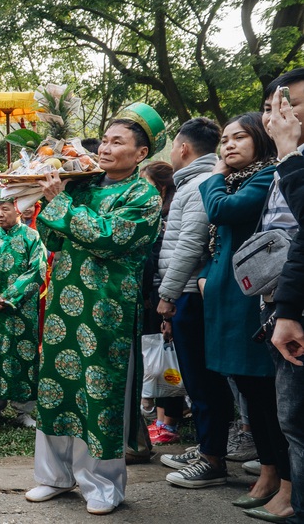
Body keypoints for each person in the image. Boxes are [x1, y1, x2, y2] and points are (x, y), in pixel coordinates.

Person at [25, 103, 164, 515]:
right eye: (104, 139)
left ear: (141, 154)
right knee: (56, 389)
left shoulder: (144, 197)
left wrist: (61, 206)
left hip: (107, 315)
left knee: (98, 394)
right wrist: (52, 201)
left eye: (117, 142)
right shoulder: (81, 185)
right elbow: (51, 240)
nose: (105, 148)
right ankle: (54, 476)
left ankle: (103, 485)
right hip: (64, 307)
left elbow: (108, 237)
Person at [166, 113, 278, 492]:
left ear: (261, 140)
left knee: (260, 389)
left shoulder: (265, 176)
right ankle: (268, 470)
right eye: (225, 139)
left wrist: (213, 177)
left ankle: (272, 474)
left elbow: (222, 211)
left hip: (249, 300)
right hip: (225, 297)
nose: (228, 145)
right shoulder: (237, 180)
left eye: (239, 138)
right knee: (246, 386)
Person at [153, 118, 237, 476]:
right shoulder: (194, 182)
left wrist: (168, 294)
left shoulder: (199, 183)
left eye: (173, 145)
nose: (172, 152)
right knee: (198, 379)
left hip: (190, 293)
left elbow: (190, 245)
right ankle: (206, 447)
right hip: (186, 292)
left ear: (184, 148)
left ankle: (213, 460)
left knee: (203, 381)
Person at [264, 69, 304, 524]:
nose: (283, 115)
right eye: (278, 105)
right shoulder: (289, 162)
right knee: (292, 420)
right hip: (286, 303)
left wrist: (289, 154)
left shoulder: (291, 160)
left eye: (292, 104)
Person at [0, 189, 47, 428]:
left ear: (18, 210)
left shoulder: (32, 237)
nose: (0, 214)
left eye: (6, 209)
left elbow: (37, 270)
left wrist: (9, 297)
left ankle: (24, 410)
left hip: (20, 312)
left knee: (22, 357)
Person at [137, 161, 184, 446]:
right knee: (160, 356)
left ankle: (170, 422)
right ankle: (160, 419)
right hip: (155, 295)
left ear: (162, 186)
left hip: (165, 295)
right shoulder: (156, 213)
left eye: (148, 183)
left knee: (170, 357)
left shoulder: (168, 216)